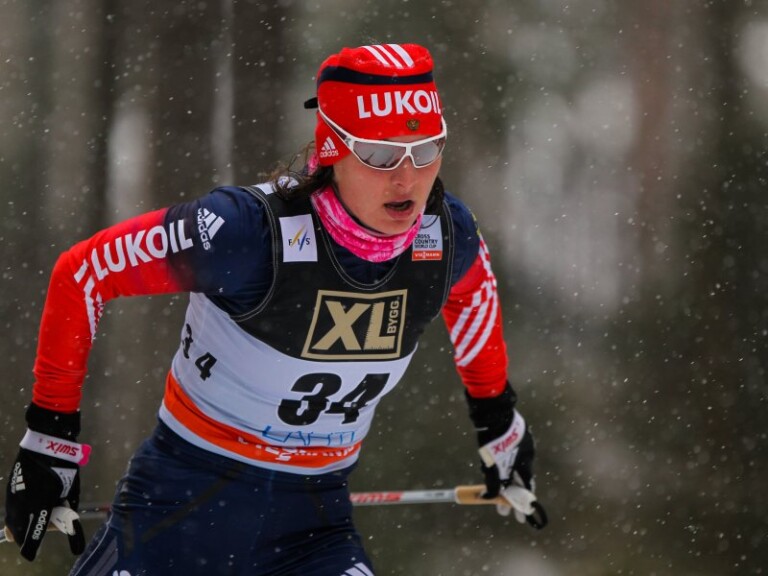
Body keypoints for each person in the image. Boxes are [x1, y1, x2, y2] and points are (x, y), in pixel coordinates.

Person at [3, 43, 545, 575]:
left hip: (312, 534)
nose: (406, 178)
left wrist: (498, 422)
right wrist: (50, 440)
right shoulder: (245, 233)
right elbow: (84, 272)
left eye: (425, 150)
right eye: (379, 155)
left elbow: (473, 295)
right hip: (175, 516)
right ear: (332, 149)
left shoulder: (444, 236)